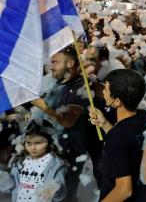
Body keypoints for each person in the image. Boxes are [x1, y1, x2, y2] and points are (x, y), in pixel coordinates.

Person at [31, 45, 102, 200]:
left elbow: (67, 121)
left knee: (63, 196)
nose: (51, 66)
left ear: (69, 64)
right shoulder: (59, 81)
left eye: (55, 62)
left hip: (69, 154)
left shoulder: (81, 87)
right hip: (53, 150)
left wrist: (41, 105)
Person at [89, 69, 146, 202]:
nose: (103, 91)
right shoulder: (143, 118)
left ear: (117, 101)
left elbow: (124, 190)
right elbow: (128, 143)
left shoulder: (116, 137)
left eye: (105, 89)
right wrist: (106, 124)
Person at [0, 120, 66, 202]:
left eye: (38, 143)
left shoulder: (55, 164)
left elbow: (61, 193)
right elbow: (13, 186)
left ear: (49, 142)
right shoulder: (20, 161)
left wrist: (55, 189)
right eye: (28, 143)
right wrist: (5, 180)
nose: (33, 147)